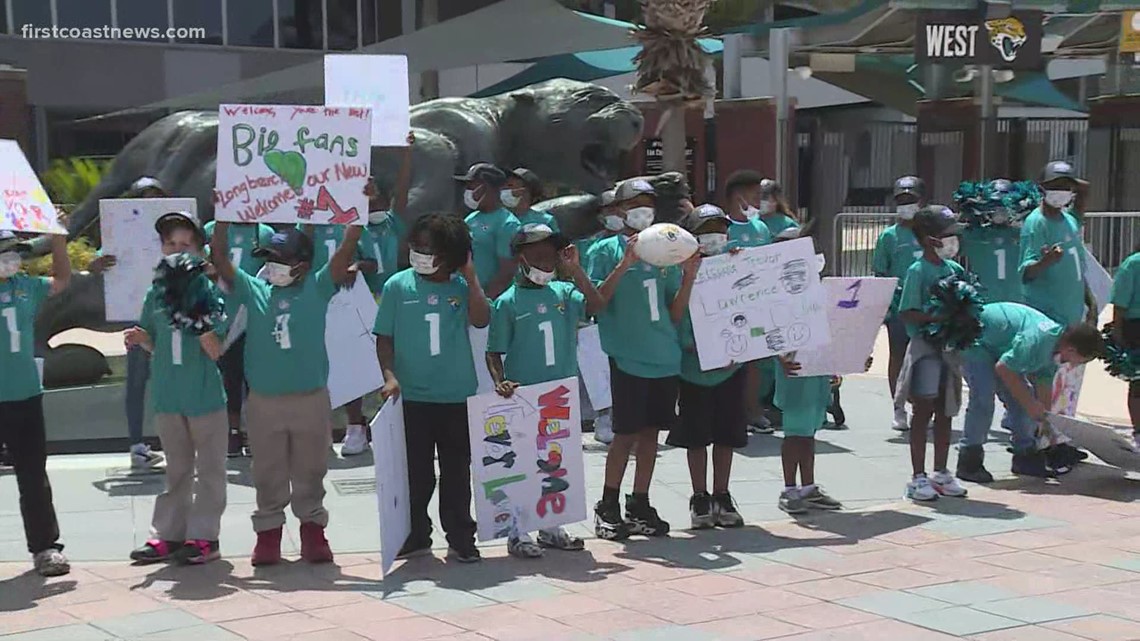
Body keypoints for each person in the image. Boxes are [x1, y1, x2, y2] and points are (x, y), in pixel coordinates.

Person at [211, 222, 360, 565]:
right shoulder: (255, 290)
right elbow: (219, 259)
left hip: (310, 399)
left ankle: (312, 530)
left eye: (278, 259)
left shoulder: (318, 287)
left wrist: (354, 227)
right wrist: (221, 219)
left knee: (312, 467)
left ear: (302, 265)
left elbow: (341, 258)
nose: (270, 266)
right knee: (267, 469)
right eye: (268, 259)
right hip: (265, 401)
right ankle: (268, 533)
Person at [586, 178, 699, 539]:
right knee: (624, 434)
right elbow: (596, 302)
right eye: (634, 202)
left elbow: (674, 312)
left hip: (663, 356)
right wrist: (625, 263)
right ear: (619, 210)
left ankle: (640, 500)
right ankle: (608, 502)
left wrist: (689, 278)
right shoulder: (605, 250)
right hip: (628, 357)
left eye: (648, 202)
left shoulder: (666, 249)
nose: (642, 209)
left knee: (651, 434)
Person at [373, 214, 489, 563]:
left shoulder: (459, 287)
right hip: (414, 397)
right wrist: (389, 377)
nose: (420, 254)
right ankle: (416, 533)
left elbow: (482, 319)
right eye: (417, 246)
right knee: (417, 473)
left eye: (430, 249)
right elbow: (384, 339)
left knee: (456, 471)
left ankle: (460, 535)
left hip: (455, 396)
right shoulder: (398, 285)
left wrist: (470, 277)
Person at [486, 223, 603, 556]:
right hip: (525, 394)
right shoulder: (508, 302)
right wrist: (499, 380)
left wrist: (576, 270)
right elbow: (493, 350)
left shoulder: (564, 292)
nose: (546, 261)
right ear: (522, 257)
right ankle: (518, 531)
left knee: (556, 462)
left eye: (551, 255)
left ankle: (552, 526)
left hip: (560, 394)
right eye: (538, 255)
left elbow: (596, 306)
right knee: (523, 463)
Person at [127, 212, 229, 565]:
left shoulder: (209, 292)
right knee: (177, 469)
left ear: (200, 251)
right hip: (169, 396)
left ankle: (204, 537)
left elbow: (217, 350)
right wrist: (142, 339)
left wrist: (200, 323)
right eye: (170, 243)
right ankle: (168, 535)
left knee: (210, 471)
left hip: (203, 397)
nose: (176, 249)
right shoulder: (155, 294)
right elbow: (157, 344)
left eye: (185, 244)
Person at [957, 303, 1100, 482]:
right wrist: (1031, 405)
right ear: (1071, 349)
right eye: (1079, 361)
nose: (1074, 365)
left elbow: (1043, 386)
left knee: (1023, 403)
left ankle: (1025, 456)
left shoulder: (1056, 349)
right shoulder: (1038, 339)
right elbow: (1004, 368)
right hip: (977, 341)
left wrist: (1045, 422)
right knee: (983, 398)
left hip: (1002, 348)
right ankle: (969, 459)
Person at [0, 230, 74, 576]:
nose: (11, 259)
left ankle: (45, 547)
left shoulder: (27, 286)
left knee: (33, 475)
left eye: (14, 253)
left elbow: (61, 280)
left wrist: (58, 239)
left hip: (25, 394)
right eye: (4, 253)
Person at [669, 205, 747, 528]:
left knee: (726, 435)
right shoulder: (677, 269)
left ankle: (722, 494)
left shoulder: (738, 263)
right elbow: (674, 316)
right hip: (693, 369)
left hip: (730, 366)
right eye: (706, 229)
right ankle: (699, 496)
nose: (715, 235)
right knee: (696, 436)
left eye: (720, 228)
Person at [897, 205, 968, 502]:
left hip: (949, 350)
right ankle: (917, 476)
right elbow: (907, 312)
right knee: (923, 409)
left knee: (946, 409)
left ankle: (941, 471)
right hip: (926, 350)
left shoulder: (955, 270)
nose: (953, 240)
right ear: (929, 239)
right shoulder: (918, 271)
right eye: (947, 235)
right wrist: (936, 318)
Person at [297, 219, 379, 458]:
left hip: (345, 299)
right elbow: (300, 254)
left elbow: (372, 263)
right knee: (316, 365)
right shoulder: (306, 225)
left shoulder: (349, 224)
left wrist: (355, 266)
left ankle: (355, 428)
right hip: (314, 298)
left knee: (347, 362)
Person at [202, 217, 276, 457]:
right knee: (229, 376)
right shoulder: (213, 228)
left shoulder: (264, 232)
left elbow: (271, 266)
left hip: (253, 312)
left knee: (254, 376)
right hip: (224, 313)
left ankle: (255, 432)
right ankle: (232, 432)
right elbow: (206, 259)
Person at [122, 176, 172, 468]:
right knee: (136, 381)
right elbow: (108, 259)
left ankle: (176, 441)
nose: (149, 201)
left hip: (170, 316)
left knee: (172, 379)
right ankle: (137, 444)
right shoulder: (123, 229)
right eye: (143, 196)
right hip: (138, 317)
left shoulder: (176, 231)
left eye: (155, 196)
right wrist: (101, 264)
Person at [723, 170, 777, 434]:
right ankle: (729, 411)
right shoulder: (720, 227)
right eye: (755, 194)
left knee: (755, 359)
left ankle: (753, 410)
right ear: (738, 195)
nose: (759, 200)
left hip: (755, 306)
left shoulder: (761, 228)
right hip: (726, 309)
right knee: (730, 359)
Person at [872, 176, 927, 432]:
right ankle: (898, 407)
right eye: (901, 201)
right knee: (898, 356)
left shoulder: (929, 231)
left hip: (928, 308)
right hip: (899, 308)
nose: (906, 206)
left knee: (925, 358)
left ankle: (923, 406)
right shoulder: (889, 236)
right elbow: (880, 273)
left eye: (911, 200)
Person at [1019, 160, 1097, 330]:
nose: (1061, 191)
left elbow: (1075, 270)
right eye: (1056, 186)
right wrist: (1046, 261)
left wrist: (1091, 303)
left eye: (1066, 187)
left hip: (1072, 316)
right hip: (1048, 319)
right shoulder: (1037, 223)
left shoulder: (1068, 220)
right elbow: (1026, 274)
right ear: (1042, 188)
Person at [361, 132, 415, 299]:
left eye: (378, 203)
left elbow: (402, 189)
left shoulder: (392, 222)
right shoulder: (355, 229)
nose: (374, 208)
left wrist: (406, 153)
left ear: (386, 202)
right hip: (363, 297)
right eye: (369, 205)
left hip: (392, 295)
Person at [458, 163, 520, 299]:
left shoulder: (507, 223)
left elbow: (507, 272)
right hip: (466, 295)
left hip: (493, 300)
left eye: (471, 186)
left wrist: (484, 299)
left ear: (488, 188)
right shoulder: (470, 219)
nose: (467, 191)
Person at [958, 179, 1024, 304]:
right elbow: (959, 230)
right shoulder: (976, 233)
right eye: (994, 208)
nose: (999, 212)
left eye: (1003, 208)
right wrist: (971, 212)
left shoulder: (1021, 233)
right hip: (985, 297)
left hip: (1016, 297)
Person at [1110, 248, 1140, 450]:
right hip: (1135, 326)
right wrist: (1117, 333)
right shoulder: (1133, 263)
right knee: (1138, 382)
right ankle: (1139, 431)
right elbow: (1119, 304)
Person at [504, 168, 560, 232]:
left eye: (510, 185)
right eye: (504, 185)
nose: (505, 190)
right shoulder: (498, 218)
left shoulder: (544, 221)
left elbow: (557, 241)